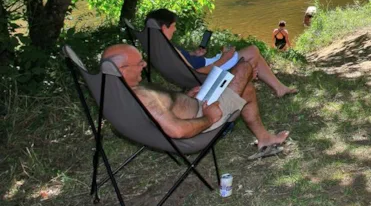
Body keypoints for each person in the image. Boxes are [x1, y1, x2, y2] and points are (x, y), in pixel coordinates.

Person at [101, 44, 289, 151]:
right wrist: (209, 117)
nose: (144, 65)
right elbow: (177, 131)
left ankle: (264, 138)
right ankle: (264, 136)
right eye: (139, 63)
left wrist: (185, 98)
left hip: (196, 104)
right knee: (245, 67)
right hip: (203, 115)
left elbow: (164, 109)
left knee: (246, 90)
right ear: (121, 69)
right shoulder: (141, 96)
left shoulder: (117, 90)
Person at [147, 9, 296, 98]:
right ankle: (264, 84)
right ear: (164, 27)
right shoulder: (169, 48)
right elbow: (197, 72)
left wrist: (194, 54)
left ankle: (276, 86)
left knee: (250, 53)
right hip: (208, 72)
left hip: (207, 63)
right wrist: (224, 58)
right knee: (252, 51)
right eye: (173, 26)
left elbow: (186, 63)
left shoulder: (160, 46)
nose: (174, 29)